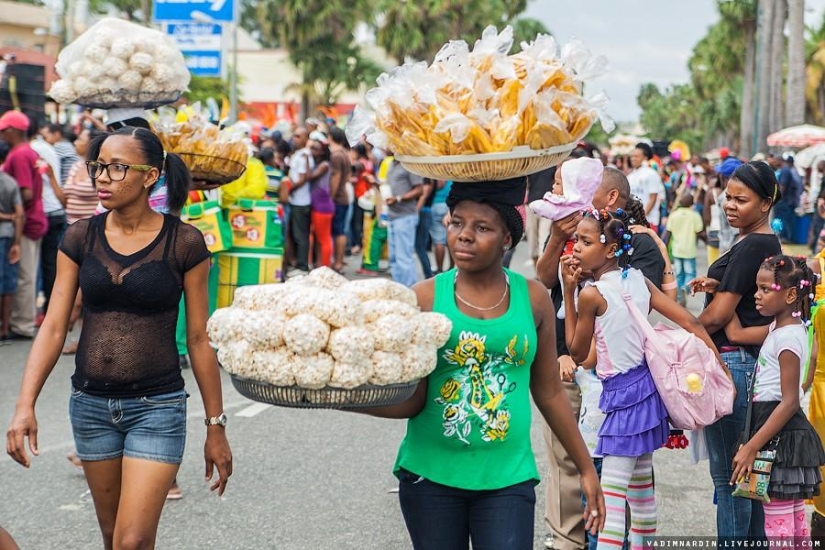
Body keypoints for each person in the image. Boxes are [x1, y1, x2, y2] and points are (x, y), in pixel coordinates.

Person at [5, 127, 233, 549]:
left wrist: (215, 426)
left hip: (158, 408)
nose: (103, 177)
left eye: (117, 167)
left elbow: (199, 339)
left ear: (150, 176)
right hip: (90, 407)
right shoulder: (79, 237)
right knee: (113, 539)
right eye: (98, 167)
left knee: (131, 541)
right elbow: (54, 327)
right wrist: (24, 406)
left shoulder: (185, 243)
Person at [360, 177, 605, 549]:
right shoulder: (423, 298)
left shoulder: (533, 298)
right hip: (431, 479)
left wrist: (586, 468)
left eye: (482, 227)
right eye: (457, 222)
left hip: (508, 479)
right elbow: (413, 398)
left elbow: (550, 392)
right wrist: (347, 398)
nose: (464, 236)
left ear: (507, 237)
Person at [561, 209, 722, 549]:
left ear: (609, 250)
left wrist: (568, 290)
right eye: (577, 240)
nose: (576, 247)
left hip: (622, 395)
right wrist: (717, 367)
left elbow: (576, 352)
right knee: (640, 491)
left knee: (612, 496)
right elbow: (691, 323)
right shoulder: (637, 279)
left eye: (585, 241)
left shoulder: (592, 294)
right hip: (648, 390)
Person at [535, 167, 665, 550]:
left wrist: (573, 293)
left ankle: (601, 541)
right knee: (571, 465)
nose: (577, 246)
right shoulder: (571, 233)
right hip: (595, 374)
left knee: (609, 488)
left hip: (608, 381)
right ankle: (567, 541)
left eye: (568, 184)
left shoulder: (636, 248)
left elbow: (607, 334)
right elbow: (545, 279)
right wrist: (559, 240)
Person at [688, 161, 782, 540]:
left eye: (741, 200)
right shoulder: (760, 243)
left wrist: (684, 325)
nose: (729, 205)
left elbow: (716, 316)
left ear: (765, 204)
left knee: (731, 480)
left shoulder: (753, 245)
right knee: (746, 482)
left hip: (733, 366)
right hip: (747, 368)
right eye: (727, 196)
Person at [726, 255, 825, 542]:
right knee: (793, 527)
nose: (757, 295)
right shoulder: (778, 329)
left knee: (778, 530)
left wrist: (751, 447)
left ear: (791, 294)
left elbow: (790, 400)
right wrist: (719, 290)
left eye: (766, 289)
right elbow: (736, 333)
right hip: (777, 431)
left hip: (779, 435)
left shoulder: (788, 338)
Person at [0, 110, 46, 340]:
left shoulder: (18, 155)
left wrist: (11, 208)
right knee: (28, 272)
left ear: (12, 131)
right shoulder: (29, 151)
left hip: (24, 221)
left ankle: (22, 324)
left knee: (23, 274)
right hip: (34, 217)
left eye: (2, 130)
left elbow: (25, 192)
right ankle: (23, 321)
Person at [385, 157, 424, 287]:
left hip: (405, 217)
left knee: (403, 258)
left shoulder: (409, 164)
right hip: (392, 216)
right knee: (394, 259)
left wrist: (398, 198)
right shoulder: (392, 163)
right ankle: (399, 291)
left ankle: (410, 292)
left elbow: (420, 190)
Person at [664, 190, 705, 306]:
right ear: (692, 203)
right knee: (690, 273)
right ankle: (685, 289)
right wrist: (707, 241)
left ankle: (680, 293)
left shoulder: (674, 215)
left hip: (677, 250)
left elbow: (667, 234)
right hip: (689, 250)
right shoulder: (695, 215)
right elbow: (700, 232)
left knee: (678, 273)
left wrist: (665, 248)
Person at [0, 140, 22, 342]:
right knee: (7, 284)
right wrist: (17, 242)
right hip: (7, 236)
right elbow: (19, 214)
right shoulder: (10, 182)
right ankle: (4, 328)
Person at [286, 126, 313, 275]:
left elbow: (303, 178)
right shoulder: (299, 154)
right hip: (296, 200)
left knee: (300, 235)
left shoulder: (304, 155)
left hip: (301, 202)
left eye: (298, 136)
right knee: (296, 234)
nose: (294, 139)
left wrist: (289, 188)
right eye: (294, 136)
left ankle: (302, 266)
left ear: (305, 138)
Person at [328, 127, 352, 273]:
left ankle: (337, 262)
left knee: (338, 231)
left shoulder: (336, 155)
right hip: (344, 196)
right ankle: (339, 260)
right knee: (340, 229)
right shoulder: (345, 154)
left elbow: (335, 178)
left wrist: (330, 197)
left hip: (338, 198)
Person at [308, 138, 334, 268]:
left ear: (322, 152)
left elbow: (310, 176)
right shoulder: (319, 163)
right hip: (318, 205)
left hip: (322, 207)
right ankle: (320, 264)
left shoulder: (324, 165)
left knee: (324, 239)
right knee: (320, 239)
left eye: (315, 149)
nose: (311, 151)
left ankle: (325, 266)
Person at [627, 143, 663, 232]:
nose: (633, 159)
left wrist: (642, 218)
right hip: (632, 221)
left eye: (636, 156)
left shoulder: (651, 174)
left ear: (645, 158)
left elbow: (653, 198)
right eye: (632, 156)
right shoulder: (630, 176)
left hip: (648, 220)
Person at [774, 154, 802, 244]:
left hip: (784, 200)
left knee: (783, 220)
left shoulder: (785, 170)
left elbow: (783, 186)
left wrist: (777, 198)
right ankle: (786, 237)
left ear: (780, 160)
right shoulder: (786, 170)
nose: (774, 163)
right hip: (787, 200)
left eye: (776, 161)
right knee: (786, 219)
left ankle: (785, 237)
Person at [429, 180, 452, 274]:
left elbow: (439, 184)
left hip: (437, 204)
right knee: (450, 239)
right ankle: (451, 268)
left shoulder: (439, 172)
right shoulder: (454, 174)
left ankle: (439, 269)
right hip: (450, 206)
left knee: (439, 241)